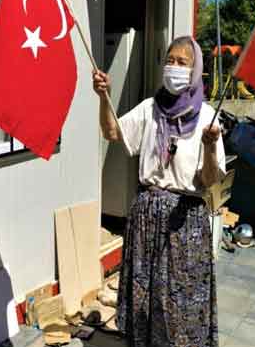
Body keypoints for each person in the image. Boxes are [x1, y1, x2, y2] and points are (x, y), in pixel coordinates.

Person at [92, 36, 225, 347]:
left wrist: (208, 148)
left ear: (196, 71)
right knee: (144, 299)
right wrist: (104, 96)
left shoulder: (207, 118)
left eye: (183, 62)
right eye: (170, 60)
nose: (174, 67)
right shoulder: (150, 109)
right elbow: (112, 131)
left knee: (182, 302)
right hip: (146, 216)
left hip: (186, 221)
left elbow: (208, 181)